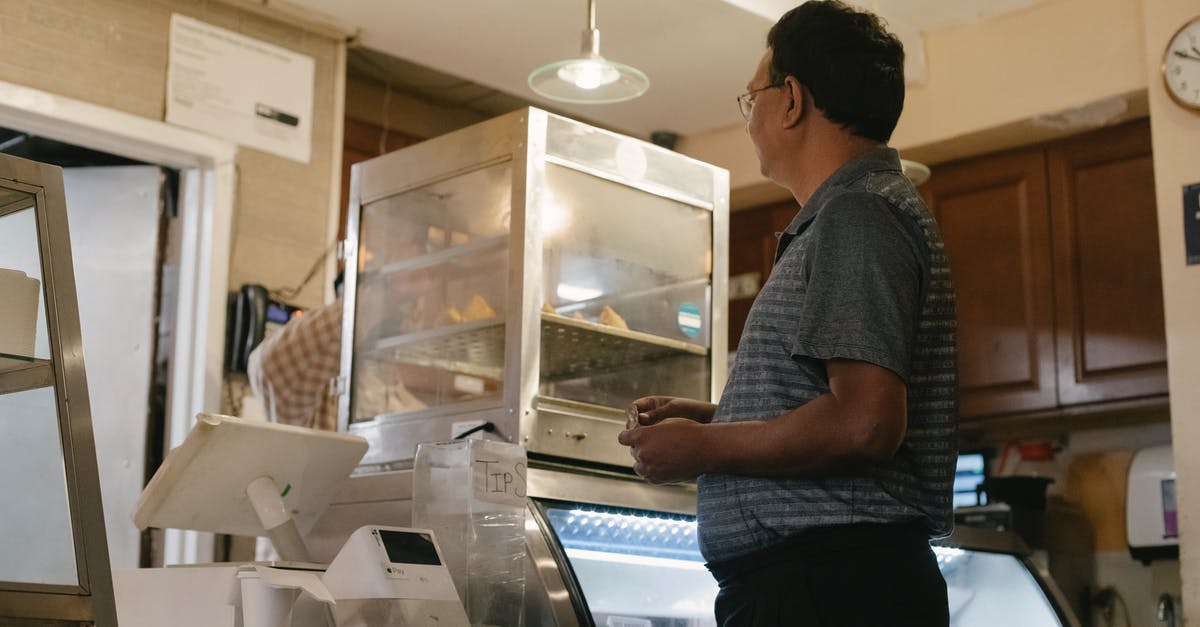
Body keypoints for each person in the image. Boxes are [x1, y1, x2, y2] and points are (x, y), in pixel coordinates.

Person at [617, 2, 957, 625]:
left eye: (752, 101)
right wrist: (718, 418)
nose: (749, 123)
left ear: (792, 99)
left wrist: (704, 448)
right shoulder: (855, 213)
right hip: (827, 583)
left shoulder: (856, 215)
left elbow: (864, 424)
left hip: (828, 587)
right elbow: (845, 409)